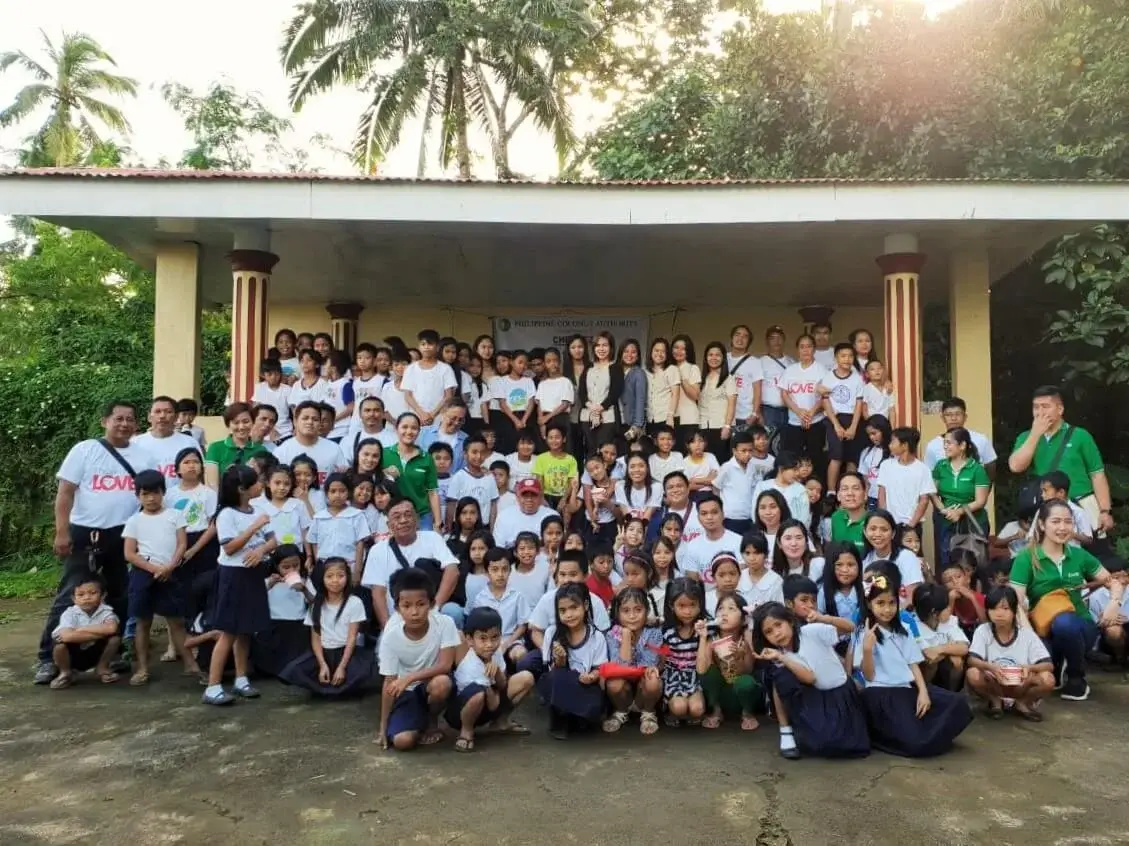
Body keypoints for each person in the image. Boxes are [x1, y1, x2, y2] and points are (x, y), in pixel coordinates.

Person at [34, 401, 158, 685]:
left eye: (129, 419)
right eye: (118, 418)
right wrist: (62, 532)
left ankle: (110, 654)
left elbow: (149, 497)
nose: (124, 424)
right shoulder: (85, 450)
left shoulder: (144, 456)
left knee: (119, 595)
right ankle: (47, 658)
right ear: (105, 421)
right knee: (70, 594)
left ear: (137, 424)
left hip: (123, 536)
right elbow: (65, 493)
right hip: (84, 533)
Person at [1009, 498, 1124, 702]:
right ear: (1042, 524)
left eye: (1068, 522)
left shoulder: (1080, 556)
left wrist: (1113, 604)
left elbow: (1113, 581)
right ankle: (1057, 663)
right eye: (1056, 521)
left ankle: (1077, 678)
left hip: (1079, 626)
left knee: (1065, 623)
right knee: (1044, 673)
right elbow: (1015, 601)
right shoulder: (1026, 558)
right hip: (1040, 627)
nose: (1063, 528)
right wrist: (1029, 637)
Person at [848, 571, 973, 757]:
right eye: (880, 603)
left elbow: (913, 664)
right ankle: (889, 735)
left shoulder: (904, 630)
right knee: (918, 744)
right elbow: (869, 676)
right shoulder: (862, 633)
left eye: (891, 603)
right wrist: (867, 649)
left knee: (959, 705)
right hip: (880, 694)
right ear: (869, 604)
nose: (887, 609)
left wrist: (923, 692)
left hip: (907, 689)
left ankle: (920, 732)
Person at [753, 602, 870, 759]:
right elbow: (810, 678)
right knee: (779, 675)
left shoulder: (810, 631)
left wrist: (823, 618)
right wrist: (782, 657)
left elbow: (850, 627)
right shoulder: (779, 654)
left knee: (846, 746)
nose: (776, 633)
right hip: (815, 697)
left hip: (841, 695)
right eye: (769, 632)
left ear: (791, 621)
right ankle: (785, 729)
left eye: (778, 625)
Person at [203, 464, 278, 706]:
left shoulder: (258, 509)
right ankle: (213, 686)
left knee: (246, 630)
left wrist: (261, 550)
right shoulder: (226, 514)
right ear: (242, 489)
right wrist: (254, 528)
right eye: (255, 482)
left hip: (252, 574)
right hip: (233, 576)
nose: (260, 486)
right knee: (228, 632)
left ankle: (241, 677)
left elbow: (273, 541)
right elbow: (229, 547)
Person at [121, 468, 196, 686]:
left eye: (155, 493)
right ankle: (142, 668)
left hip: (171, 573)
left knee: (177, 622)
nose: (151, 498)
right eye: (145, 494)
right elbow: (129, 553)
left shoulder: (175, 515)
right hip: (143, 575)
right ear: (138, 496)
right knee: (142, 622)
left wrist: (170, 566)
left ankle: (191, 665)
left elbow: (182, 544)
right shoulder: (134, 521)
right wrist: (153, 568)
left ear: (163, 492)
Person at [1010, 386, 1114, 538]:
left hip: (1081, 504)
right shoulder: (1025, 437)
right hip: (1046, 507)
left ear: (1060, 409)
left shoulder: (1080, 435)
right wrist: (1035, 433)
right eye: (1036, 407)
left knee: (1093, 553)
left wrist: (1105, 511)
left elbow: (1097, 475)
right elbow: (1016, 467)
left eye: (1046, 406)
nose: (1040, 412)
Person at [378, 568, 458, 750]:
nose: (414, 612)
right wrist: (382, 727)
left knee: (442, 683)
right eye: (407, 606)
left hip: (429, 685)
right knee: (403, 742)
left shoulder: (445, 623)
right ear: (397, 608)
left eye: (421, 604)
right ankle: (413, 723)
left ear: (431, 604)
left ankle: (431, 721)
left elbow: (446, 665)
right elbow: (389, 682)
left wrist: (409, 678)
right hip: (405, 692)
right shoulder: (391, 636)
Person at [361, 497, 462, 628]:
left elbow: (452, 570)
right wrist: (387, 628)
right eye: (397, 517)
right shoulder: (377, 550)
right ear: (389, 525)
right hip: (398, 617)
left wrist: (434, 608)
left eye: (408, 515)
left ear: (418, 519)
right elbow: (378, 593)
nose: (403, 520)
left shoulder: (433, 538)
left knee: (453, 611)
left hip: (433, 611)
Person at [279, 557, 371, 696]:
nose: (335, 580)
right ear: (322, 579)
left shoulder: (354, 602)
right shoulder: (316, 604)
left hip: (345, 652)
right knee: (294, 669)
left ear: (347, 577)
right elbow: (316, 638)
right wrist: (322, 664)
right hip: (323, 653)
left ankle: (335, 688)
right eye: (329, 576)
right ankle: (327, 688)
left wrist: (342, 667)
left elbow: (352, 638)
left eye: (340, 576)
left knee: (366, 670)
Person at [449, 607, 535, 752]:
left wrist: (497, 675)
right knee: (477, 695)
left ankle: (501, 723)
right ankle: (466, 731)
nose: (489, 644)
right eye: (482, 638)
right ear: (470, 640)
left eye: (494, 637)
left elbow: (502, 685)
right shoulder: (470, 665)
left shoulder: (496, 654)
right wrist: (493, 682)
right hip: (464, 711)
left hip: (489, 700)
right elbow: (493, 704)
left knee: (526, 678)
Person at [967, 586, 1055, 720]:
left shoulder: (1027, 635)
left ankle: (1022, 703)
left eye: (1005, 608)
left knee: (1048, 679)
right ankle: (996, 702)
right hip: (995, 682)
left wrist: (1029, 668)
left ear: (1014, 611)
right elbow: (972, 660)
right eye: (993, 609)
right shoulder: (983, 630)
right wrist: (990, 667)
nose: (998, 613)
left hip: (1021, 685)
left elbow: (1048, 665)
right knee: (972, 673)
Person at [538, 582, 609, 740]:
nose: (568, 614)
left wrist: (592, 676)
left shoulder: (596, 637)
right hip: (562, 685)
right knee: (555, 678)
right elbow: (552, 674)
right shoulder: (552, 633)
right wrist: (561, 659)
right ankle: (560, 722)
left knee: (591, 707)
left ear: (584, 606)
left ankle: (579, 718)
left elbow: (601, 669)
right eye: (563, 610)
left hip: (586, 687)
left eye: (573, 608)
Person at [602, 587, 664, 735]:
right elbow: (622, 665)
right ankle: (621, 710)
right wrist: (626, 637)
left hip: (643, 683)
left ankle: (648, 712)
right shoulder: (612, 635)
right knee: (613, 683)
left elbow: (650, 664)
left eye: (638, 610)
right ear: (618, 613)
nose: (632, 616)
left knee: (653, 679)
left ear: (647, 610)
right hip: (625, 685)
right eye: (626, 611)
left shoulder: (654, 633)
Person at [698, 592, 761, 731]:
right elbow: (701, 670)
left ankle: (747, 713)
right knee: (710, 673)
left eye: (731, 609)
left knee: (746, 682)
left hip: (739, 696)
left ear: (744, 620)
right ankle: (716, 711)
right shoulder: (711, 639)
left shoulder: (744, 641)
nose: (724, 613)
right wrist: (703, 638)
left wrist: (739, 656)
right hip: (719, 695)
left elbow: (748, 671)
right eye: (720, 609)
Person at [48, 576, 122, 689]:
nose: (87, 597)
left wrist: (80, 629)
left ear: (103, 596)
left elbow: (111, 629)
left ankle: (102, 668)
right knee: (59, 645)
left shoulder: (106, 611)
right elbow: (67, 637)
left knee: (114, 639)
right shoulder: (69, 614)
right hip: (73, 654)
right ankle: (65, 673)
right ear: (74, 598)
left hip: (96, 652)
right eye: (81, 595)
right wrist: (100, 632)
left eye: (93, 593)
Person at [930, 427, 991, 563]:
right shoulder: (941, 466)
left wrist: (960, 511)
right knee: (948, 561)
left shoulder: (977, 469)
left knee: (975, 562)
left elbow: (980, 501)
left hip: (973, 522)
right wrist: (943, 509)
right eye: (944, 443)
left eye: (949, 443)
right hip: (947, 521)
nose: (945, 447)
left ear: (962, 445)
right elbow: (932, 492)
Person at [251, 545, 313, 678]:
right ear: (276, 566)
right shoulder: (270, 580)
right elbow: (254, 599)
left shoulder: (305, 581)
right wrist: (269, 585)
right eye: (286, 567)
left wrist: (304, 590)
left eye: (296, 566)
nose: (291, 570)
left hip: (297, 623)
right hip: (274, 623)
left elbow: (315, 602)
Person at [466, 547, 531, 667]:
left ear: (510, 571)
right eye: (495, 570)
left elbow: (523, 625)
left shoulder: (517, 595)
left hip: (511, 641)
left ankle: (515, 678)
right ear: (486, 572)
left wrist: (506, 644)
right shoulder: (480, 598)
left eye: (505, 569)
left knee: (520, 654)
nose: (500, 574)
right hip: (487, 643)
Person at [382, 412, 443, 531]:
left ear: (419, 431)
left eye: (414, 428)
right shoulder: (384, 454)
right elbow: (375, 481)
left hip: (421, 516)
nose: (409, 432)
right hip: (393, 515)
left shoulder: (426, 458)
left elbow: (432, 492)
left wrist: (438, 522)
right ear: (396, 429)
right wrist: (385, 474)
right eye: (404, 427)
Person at [819, 342, 865, 496]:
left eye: (850, 356)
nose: (847, 359)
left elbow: (859, 404)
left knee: (852, 458)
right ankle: (831, 492)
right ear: (836, 358)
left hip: (852, 419)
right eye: (843, 356)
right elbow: (826, 403)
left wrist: (853, 427)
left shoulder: (857, 379)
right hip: (834, 419)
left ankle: (851, 490)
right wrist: (836, 426)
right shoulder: (828, 377)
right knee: (836, 456)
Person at [779, 334, 828, 474]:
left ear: (814, 349)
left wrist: (811, 412)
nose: (805, 350)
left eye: (809, 346)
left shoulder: (822, 370)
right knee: (793, 458)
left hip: (816, 421)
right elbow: (784, 394)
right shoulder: (790, 370)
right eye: (802, 347)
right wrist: (799, 412)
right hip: (794, 421)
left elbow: (825, 396)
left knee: (816, 457)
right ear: (797, 350)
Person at [307, 473, 370, 584]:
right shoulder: (319, 517)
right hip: (324, 567)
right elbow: (314, 541)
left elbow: (360, 544)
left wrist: (357, 571)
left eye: (342, 491)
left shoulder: (356, 515)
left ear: (349, 492)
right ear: (326, 493)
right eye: (333, 491)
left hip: (348, 566)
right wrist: (317, 560)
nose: (337, 495)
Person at [661, 577, 708, 725]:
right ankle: (670, 711)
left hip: (694, 676)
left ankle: (689, 715)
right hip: (673, 677)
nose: (688, 611)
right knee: (679, 707)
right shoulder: (666, 631)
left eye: (692, 605)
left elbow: (702, 667)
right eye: (681, 606)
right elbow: (662, 662)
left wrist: (703, 637)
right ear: (671, 605)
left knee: (697, 709)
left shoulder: (706, 627)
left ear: (700, 605)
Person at [273, 401, 350, 486]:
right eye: (305, 418)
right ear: (295, 421)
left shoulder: (334, 449)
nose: (310, 422)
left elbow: (344, 479)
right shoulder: (281, 451)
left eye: (315, 419)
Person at [910, 583, 969, 692]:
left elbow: (964, 647)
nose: (950, 609)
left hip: (943, 669)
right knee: (931, 664)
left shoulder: (947, 621)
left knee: (957, 660)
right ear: (934, 613)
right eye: (946, 607)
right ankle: (922, 692)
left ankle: (952, 693)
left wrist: (939, 649)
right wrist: (949, 647)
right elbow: (929, 656)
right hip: (920, 672)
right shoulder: (912, 625)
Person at [675, 494, 742, 589]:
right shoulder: (692, 546)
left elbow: (743, 577)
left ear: (723, 514)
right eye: (704, 513)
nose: (709, 517)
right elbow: (693, 583)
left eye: (714, 512)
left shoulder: (739, 542)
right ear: (698, 517)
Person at [876, 426, 934, 532]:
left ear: (905, 445)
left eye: (893, 442)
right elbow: (882, 494)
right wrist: (885, 518)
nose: (890, 445)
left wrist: (911, 525)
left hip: (913, 525)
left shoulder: (923, 469)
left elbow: (924, 500)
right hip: (890, 524)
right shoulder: (886, 465)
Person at [923, 397, 998, 478]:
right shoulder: (933, 445)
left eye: (958, 414)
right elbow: (929, 475)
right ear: (942, 418)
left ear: (965, 417)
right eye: (948, 415)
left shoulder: (981, 439)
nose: (953, 418)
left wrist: (985, 488)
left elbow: (991, 465)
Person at [133, 396, 201, 485]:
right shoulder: (135, 444)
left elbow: (199, 475)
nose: (162, 416)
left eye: (168, 412)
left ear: (176, 417)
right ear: (149, 416)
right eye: (157, 411)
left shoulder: (189, 443)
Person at [861, 509, 924, 606]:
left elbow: (912, 598)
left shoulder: (906, 557)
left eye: (884, 530)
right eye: (873, 529)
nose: (878, 534)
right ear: (865, 532)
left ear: (893, 533)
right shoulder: (865, 558)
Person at [401, 329, 458, 427]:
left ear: (437, 347)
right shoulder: (411, 369)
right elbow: (408, 396)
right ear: (419, 346)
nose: (426, 347)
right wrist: (421, 414)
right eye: (423, 344)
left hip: (439, 418)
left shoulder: (445, 369)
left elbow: (448, 396)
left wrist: (432, 415)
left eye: (430, 344)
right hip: (416, 418)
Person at [445, 434, 499, 529]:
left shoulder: (489, 477)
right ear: (465, 454)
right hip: (462, 528)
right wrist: (449, 528)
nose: (478, 456)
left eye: (482, 452)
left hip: (483, 528)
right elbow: (451, 504)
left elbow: (493, 505)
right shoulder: (459, 477)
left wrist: (492, 529)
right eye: (474, 452)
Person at [697, 341, 737, 463]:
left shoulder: (728, 378)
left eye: (717, 355)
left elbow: (732, 403)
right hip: (703, 426)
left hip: (720, 427)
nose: (714, 358)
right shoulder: (703, 378)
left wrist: (727, 426)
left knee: (721, 462)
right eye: (710, 355)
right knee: (706, 463)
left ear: (723, 358)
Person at [493, 478, 559, 548]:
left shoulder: (552, 516)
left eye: (533, 495)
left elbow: (558, 546)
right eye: (525, 495)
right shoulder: (504, 516)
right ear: (517, 497)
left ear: (540, 497)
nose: (529, 499)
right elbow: (498, 548)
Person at [753, 451, 810, 529]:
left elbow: (804, 518)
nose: (797, 473)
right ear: (781, 469)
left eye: (798, 470)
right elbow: (754, 513)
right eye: (794, 470)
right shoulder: (762, 486)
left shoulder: (800, 490)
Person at [727, 324, 764, 434]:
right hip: (725, 414)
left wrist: (754, 413)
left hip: (744, 415)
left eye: (745, 336)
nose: (740, 338)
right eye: (737, 334)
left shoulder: (754, 362)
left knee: (743, 449)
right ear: (732, 337)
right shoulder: (723, 358)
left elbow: (758, 390)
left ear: (749, 341)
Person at [759, 325, 795, 434]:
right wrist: (758, 413)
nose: (776, 341)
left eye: (779, 338)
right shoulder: (761, 362)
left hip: (789, 410)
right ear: (767, 342)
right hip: (768, 410)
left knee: (786, 444)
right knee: (768, 443)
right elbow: (756, 388)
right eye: (772, 338)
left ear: (784, 340)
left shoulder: (791, 362)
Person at [646, 338, 681, 437]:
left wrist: (670, 416)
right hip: (650, 419)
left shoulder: (671, 369)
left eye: (663, 351)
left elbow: (675, 394)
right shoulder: (646, 371)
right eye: (656, 350)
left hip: (665, 418)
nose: (659, 354)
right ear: (651, 352)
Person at [251, 360, 294, 442]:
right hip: (264, 430)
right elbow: (255, 409)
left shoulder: (287, 390)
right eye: (270, 374)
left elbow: (294, 411)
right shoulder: (259, 388)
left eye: (277, 374)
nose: (274, 377)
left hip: (285, 432)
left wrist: (297, 428)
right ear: (263, 375)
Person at [420, 404, 469, 474]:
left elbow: (465, 469)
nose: (456, 422)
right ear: (443, 414)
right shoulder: (423, 433)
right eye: (453, 418)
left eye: (461, 420)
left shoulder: (466, 440)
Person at [829, 471, 868, 552]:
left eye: (856, 488)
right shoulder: (836, 517)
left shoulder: (873, 521)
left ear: (865, 495)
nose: (850, 493)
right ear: (838, 496)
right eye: (845, 489)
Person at [858, 415, 891, 510]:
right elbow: (866, 480)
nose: (872, 437)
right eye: (869, 434)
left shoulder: (893, 452)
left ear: (884, 430)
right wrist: (865, 497)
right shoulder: (866, 452)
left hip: (890, 498)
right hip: (872, 498)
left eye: (874, 433)